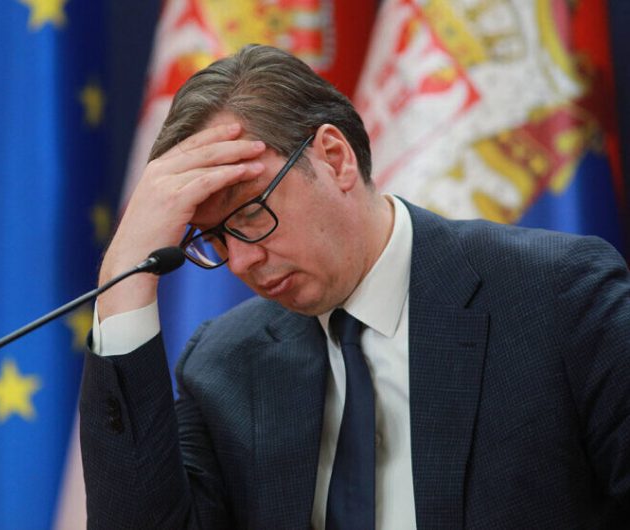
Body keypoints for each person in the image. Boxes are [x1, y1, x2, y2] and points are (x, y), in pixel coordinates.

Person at [80, 44, 630, 529]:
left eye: (250, 213)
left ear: (334, 158)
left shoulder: (557, 298)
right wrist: (122, 276)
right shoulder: (224, 366)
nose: (241, 261)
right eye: (215, 239)